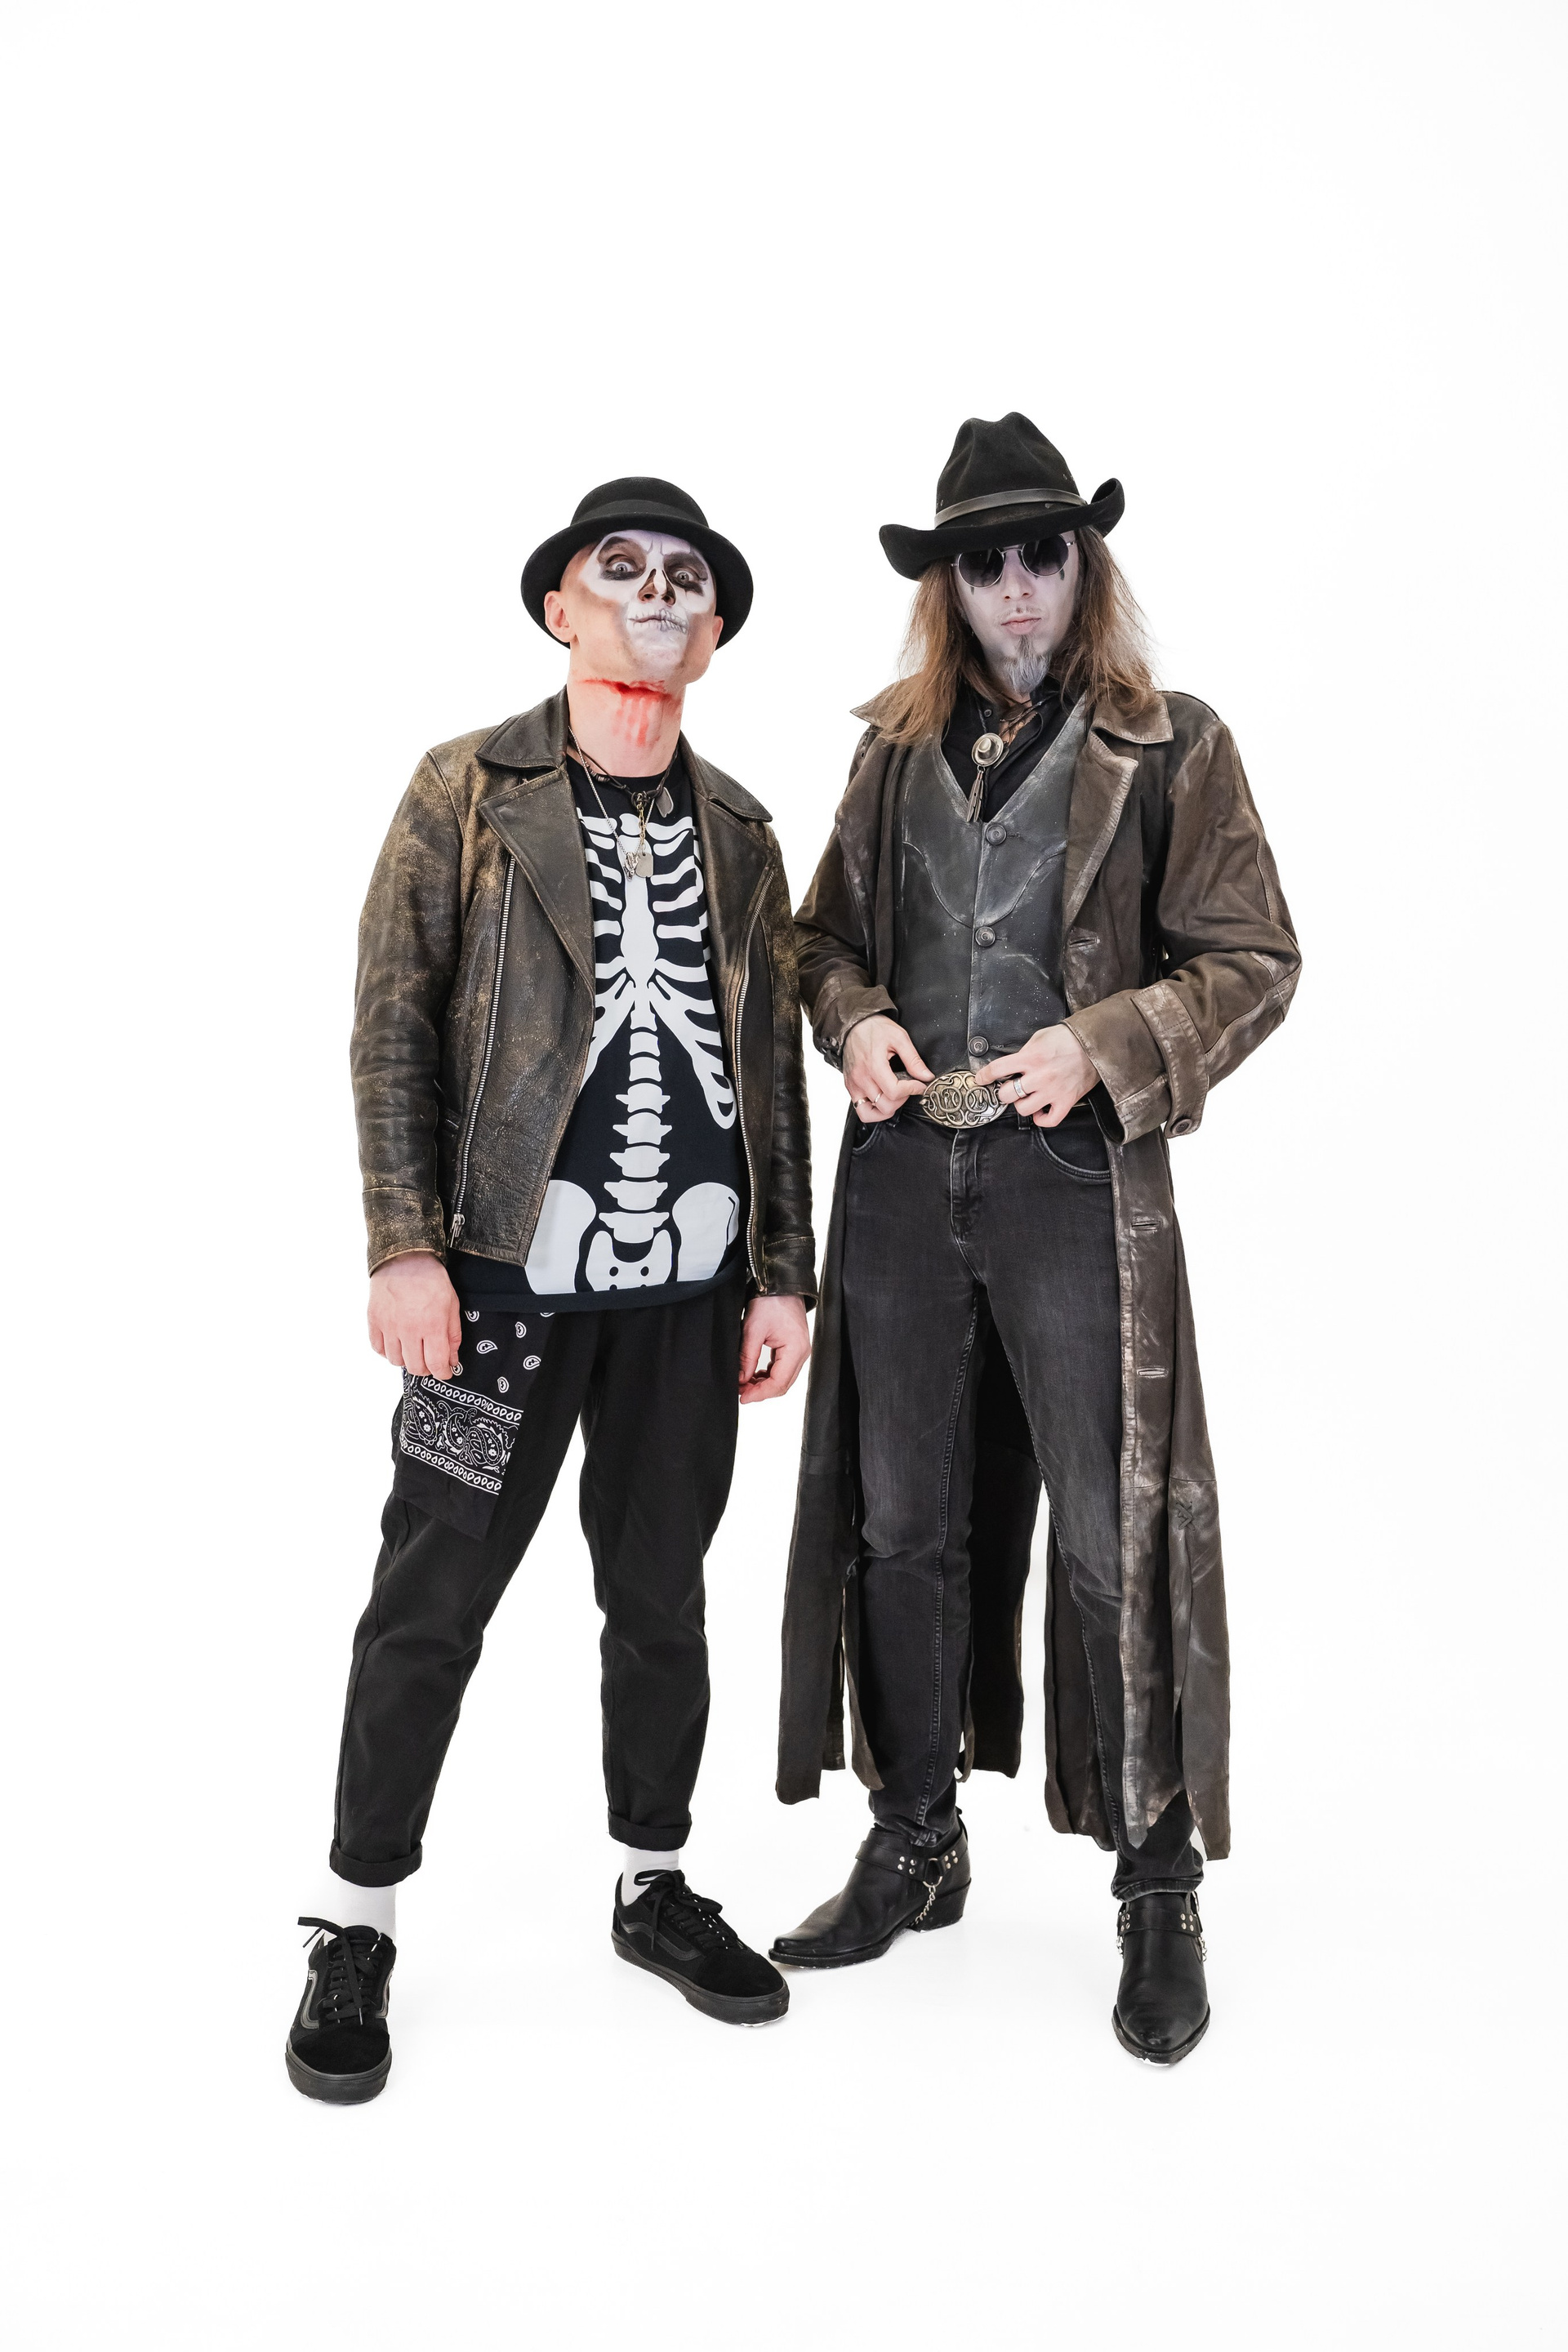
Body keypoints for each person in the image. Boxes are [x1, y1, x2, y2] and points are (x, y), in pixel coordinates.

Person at [771, 413, 1298, 2064]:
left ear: (1085, 566)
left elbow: (1254, 959)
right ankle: (915, 1835)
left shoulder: (1173, 744)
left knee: (1112, 1525)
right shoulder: (891, 754)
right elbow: (818, 940)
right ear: (947, 586)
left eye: (1042, 555)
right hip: (899, 1191)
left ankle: (1156, 1880)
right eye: (984, 562)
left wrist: (1106, 1043)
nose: (1016, 588)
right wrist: (854, 1021)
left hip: (1075, 1185)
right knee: (902, 1520)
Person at [287, 477, 815, 2103]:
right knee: (431, 1596)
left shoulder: (742, 832)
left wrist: (781, 1274)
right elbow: (393, 1021)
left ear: (713, 635)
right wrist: (403, 1243)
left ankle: (654, 1884)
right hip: (497, 1294)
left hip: (688, 1294)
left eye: (687, 580)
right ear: (559, 606)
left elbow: (768, 1073)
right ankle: (356, 1920)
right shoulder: (465, 789)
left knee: (662, 1599)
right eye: (621, 568)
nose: (657, 595)